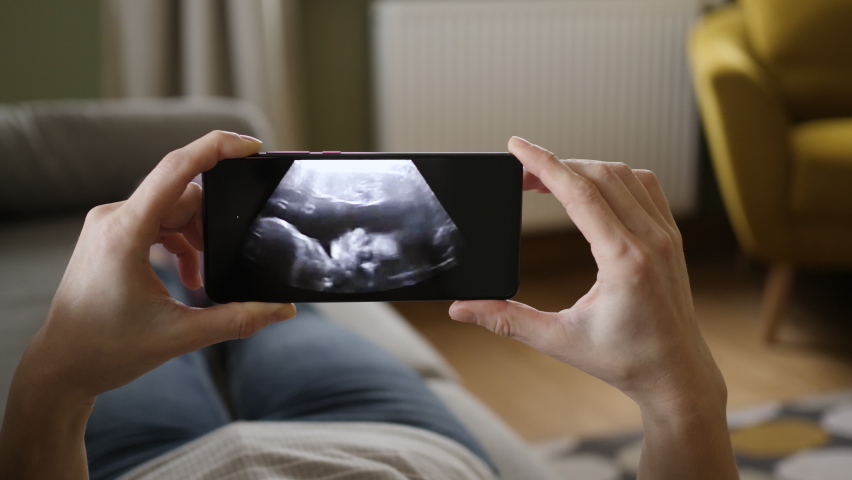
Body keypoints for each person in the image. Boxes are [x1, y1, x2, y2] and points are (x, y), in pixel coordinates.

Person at [0, 131, 739, 480]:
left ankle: (191, 272)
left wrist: (49, 384)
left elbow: (54, 404)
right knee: (295, 310)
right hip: (404, 453)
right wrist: (685, 404)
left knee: (255, 296)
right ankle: (219, 272)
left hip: (150, 466)